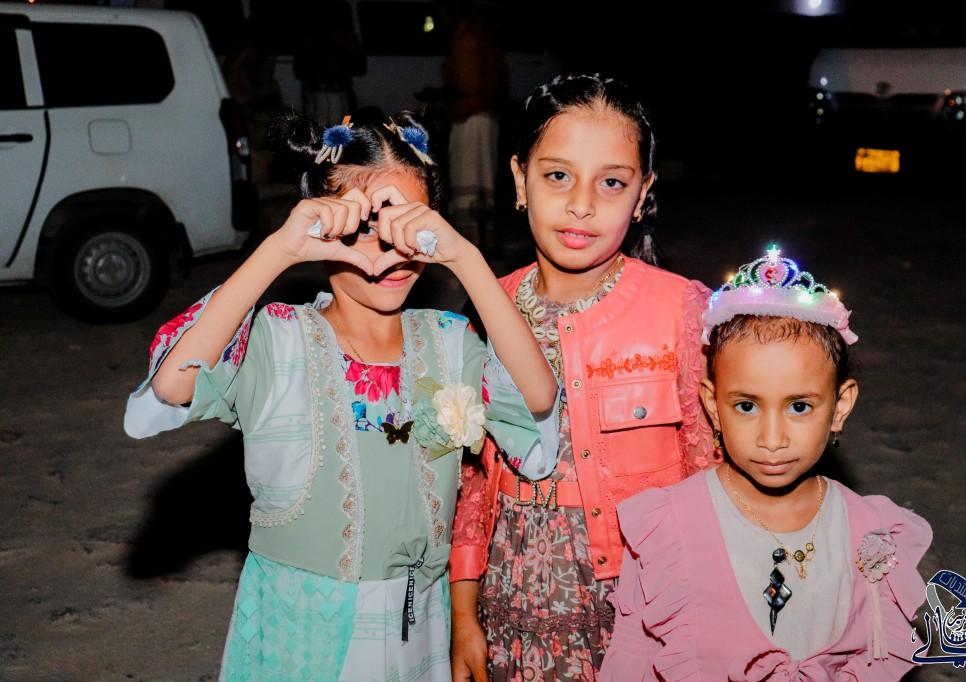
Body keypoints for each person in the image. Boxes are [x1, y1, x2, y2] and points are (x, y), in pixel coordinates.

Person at [123, 111, 558, 680]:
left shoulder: (449, 342)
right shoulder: (279, 340)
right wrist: (279, 250)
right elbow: (170, 385)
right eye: (365, 227)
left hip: (419, 629)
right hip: (299, 630)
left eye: (408, 225)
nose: (389, 251)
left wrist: (466, 258)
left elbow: (538, 398)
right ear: (323, 227)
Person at [449, 74, 716, 681]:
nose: (582, 204)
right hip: (509, 599)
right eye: (557, 175)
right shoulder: (485, 309)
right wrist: (464, 611)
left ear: (643, 194)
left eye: (612, 182)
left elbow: (714, 475)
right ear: (520, 179)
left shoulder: (682, 311)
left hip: (639, 607)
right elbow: (470, 484)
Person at [600, 246, 933, 680]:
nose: (772, 440)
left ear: (840, 406)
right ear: (712, 405)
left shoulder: (870, 533)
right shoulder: (668, 529)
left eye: (799, 407)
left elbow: (877, 656)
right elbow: (631, 660)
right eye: (746, 406)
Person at [441, 0, 508, 253]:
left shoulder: (469, 38)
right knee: (478, 181)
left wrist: (456, 103)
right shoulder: (475, 35)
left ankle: (473, 244)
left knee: (472, 181)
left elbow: (472, 86)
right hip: (477, 116)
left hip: (473, 119)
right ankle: (479, 242)